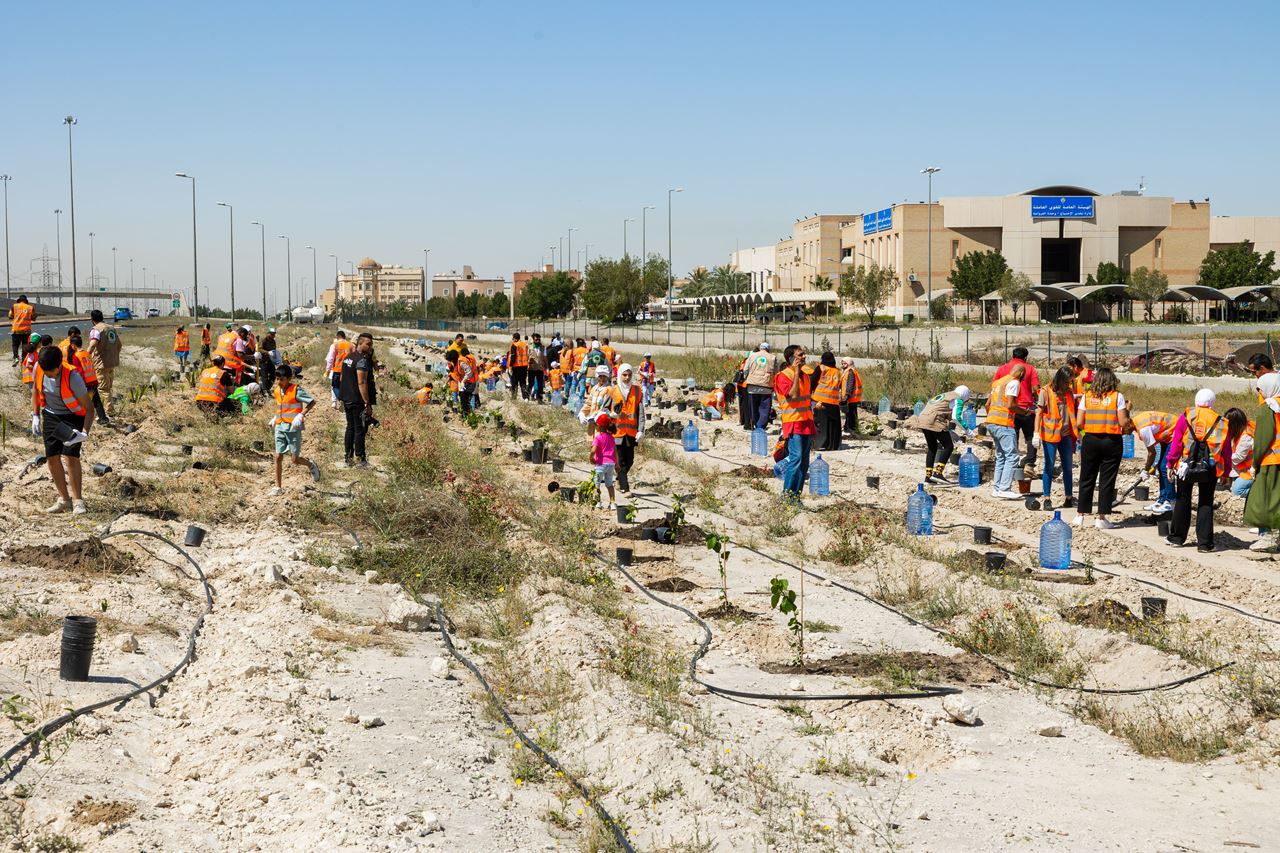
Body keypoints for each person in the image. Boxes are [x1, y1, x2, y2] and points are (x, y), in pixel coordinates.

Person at [1165, 393, 1247, 553]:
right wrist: (1226, 472)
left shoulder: (1186, 416)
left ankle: (1176, 538)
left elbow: (1176, 442)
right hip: (1211, 466)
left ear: (1196, 401)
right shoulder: (1222, 422)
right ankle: (1204, 544)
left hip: (1185, 466)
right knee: (1205, 502)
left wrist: (1170, 463)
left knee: (1182, 498)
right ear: (1212, 403)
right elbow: (1226, 450)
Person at [31, 345, 93, 514]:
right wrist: (35, 415)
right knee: (52, 457)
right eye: (45, 371)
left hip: (71, 417)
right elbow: (36, 392)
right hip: (50, 415)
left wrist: (84, 433)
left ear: (59, 366)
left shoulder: (73, 378)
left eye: (50, 371)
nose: (48, 374)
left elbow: (89, 408)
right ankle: (64, 499)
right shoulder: (39, 368)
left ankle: (77, 500)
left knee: (71, 456)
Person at [1074, 367, 1132, 529]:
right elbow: (1123, 422)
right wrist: (1127, 410)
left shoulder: (1087, 396)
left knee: (1086, 476)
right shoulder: (1117, 397)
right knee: (1107, 479)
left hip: (1091, 439)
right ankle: (1101, 517)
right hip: (1111, 440)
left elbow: (1079, 423)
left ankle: (1080, 515)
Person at [269, 364, 321, 496]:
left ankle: (310, 465)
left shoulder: (296, 390)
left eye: (282, 379)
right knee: (278, 456)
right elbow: (281, 407)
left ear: (289, 378)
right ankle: (278, 487)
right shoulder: (276, 391)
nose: (279, 382)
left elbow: (312, 402)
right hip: (280, 427)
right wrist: (275, 418)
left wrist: (301, 414)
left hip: (293, 428)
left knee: (294, 459)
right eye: (277, 379)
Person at [1243, 373, 1280, 552]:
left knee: (1264, 500)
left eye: (1260, 389)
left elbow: (1262, 439)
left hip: (1272, 460)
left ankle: (1269, 538)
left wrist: (1255, 463)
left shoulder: (1268, 408)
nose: (1260, 393)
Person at [774, 344, 815, 501]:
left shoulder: (805, 375)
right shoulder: (783, 376)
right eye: (800, 355)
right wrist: (797, 372)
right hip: (793, 423)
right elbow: (793, 395)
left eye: (804, 354)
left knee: (804, 463)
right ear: (791, 358)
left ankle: (796, 497)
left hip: (806, 422)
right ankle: (787, 496)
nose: (804, 357)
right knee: (795, 459)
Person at [1033, 367, 1077, 507]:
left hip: (1066, 435)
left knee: (1068, 467)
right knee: (1049, 466)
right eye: (1066, 382)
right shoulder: (1046, 392)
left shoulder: (1069, 393)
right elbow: (1039, 413)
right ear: (1060, 380)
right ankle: (1047, 498)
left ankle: (1069, 498)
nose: (1068, 385)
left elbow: (1072, 414)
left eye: (1070, 382)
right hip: (1050, 435)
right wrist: (1036, 433)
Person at [994, 346, 1040, 476]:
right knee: (1030, 437)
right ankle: (1029, 465)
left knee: (1011, 437)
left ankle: (1011, 465)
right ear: (1025, 357)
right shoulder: (1029, 369)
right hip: (1026, 409)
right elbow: (1036, 388)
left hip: (1008, 410)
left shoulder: (1002, 369)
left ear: (1012, 356)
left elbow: (995, 387)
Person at [910, 385, 970, 484]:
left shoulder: (945, 395)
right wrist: (968, 430)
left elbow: (946, 413)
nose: (964, 402)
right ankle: (938, 473)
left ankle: (928, 478)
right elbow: (956, 417)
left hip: (923, 419)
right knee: (948, 446)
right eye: (965, 400)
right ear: (964, 396)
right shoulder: (957, 399)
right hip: (934, 420)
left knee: (932, 448)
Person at [985, 364, 1028, 499]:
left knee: (1001, 456)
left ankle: (997, 488)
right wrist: (1025, 412)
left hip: (992, 421)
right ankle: (1004, 488)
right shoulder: (1014, 382)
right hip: (1004, 423)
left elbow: (987, 404)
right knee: (1012, 456)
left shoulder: (998, 382)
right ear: (1021, 374)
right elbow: (1011, 405)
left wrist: (992, 417)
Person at [339, 332, 378, 468]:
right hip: (357, 400)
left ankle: (347, 459)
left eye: (371, 344)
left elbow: (342, 378)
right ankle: (361, 460)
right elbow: (362, 382)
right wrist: (367, 402)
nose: (370, 346)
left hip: (347, 398)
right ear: (360, 343)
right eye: (368, 344)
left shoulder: (348, 357)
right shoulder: (361, 360)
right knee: (359, 429)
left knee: (350, 427)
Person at [1128, 408, 1177, 513]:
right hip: (1167, 435)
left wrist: (1145, 470)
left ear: (1128, 424)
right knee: (1161, 466)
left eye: (1122, 430)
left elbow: (1152, 453)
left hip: (1175, 433)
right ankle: (1162, 500)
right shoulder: (1137, 421)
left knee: (1165, 467)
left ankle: (1171, 501)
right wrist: (1153, 465)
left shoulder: (1143, 430)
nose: (1123, 434)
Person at [609, 363, 645, 493]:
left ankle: (619, 479)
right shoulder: (613, 390)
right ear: (620, 375)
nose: (627, 377)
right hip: (616, 433)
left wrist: (641, 430)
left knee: (630, 460)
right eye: (624, 375)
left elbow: (640, 412)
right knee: (621, 461)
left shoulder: (637, 390)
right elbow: (604, 409)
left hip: (630, 433)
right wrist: (611, 414)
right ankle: (625, 487)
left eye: (629, 375)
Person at [61, 327, 107, 422]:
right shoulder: (86, 353)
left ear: (73, 345)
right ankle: (103, 418)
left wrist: (78, 385)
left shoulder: (76, 356)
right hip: (93, 380)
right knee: (96, 401)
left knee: (82, 402)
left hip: (85, 383)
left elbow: (79, 372)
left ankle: (82, 419)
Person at [87, 309, 121, 423]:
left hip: (100, 364)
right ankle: (105, 411)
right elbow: (119, 344)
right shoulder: (111, 328)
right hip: (112, 363)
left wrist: (85, 357)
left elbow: (93, 344)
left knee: (103, 389)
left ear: (92, 320)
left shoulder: (96, 330)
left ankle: (108, 414)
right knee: (108, 387)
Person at [743, 342, 778, 433]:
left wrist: (747, 378)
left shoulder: (752, 356)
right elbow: (776, 372)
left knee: (754, 408)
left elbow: (745, 369)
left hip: (752, 385)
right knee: (765, 408)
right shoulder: (772, 357)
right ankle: (760, 426)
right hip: (766, 386)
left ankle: (755, 424)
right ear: (768, 349)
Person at [811, 351, 843, 452]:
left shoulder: (821, 368)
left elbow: (812, 382)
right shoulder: (838, 371)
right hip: (833, 402)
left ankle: (819, 444)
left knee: (821, 423)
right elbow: (840, 385)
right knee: (833, 425)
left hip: (820, 401)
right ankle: (833, 445)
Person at [591, 412, 618, 511]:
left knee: (596, 484)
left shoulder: (598, 437)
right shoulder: (611, 437)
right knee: (609, 484)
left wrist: (591, 457)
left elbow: (593, 450)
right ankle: (612, 503)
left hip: (601, 465)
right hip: (611, 464)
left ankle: (598, 503)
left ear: (599, 426)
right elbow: (615, 452)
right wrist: (617, 464)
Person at [9, 295, 35, 364]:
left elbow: (10, 316)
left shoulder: (14, 306)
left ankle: (16, 357)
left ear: (19, 300)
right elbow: (34, 317)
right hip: (26, 331)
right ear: (26, 301)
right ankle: (24, 360)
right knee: (25, 345)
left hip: (16, 330)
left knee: (15, 345)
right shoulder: (30, 307)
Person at [840, 357, 863, 435]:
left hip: (851, 397)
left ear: (848, 363)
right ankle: (848, 427)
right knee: (849, 414)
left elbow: (850, 384)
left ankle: (852, 429)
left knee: (851, 414)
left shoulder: (850, 372)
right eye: (842, 363)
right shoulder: (847, 371)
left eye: (844, 363)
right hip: (851, 397)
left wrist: (847, 395)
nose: (842, 365)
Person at [508, 333, 529, 399]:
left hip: (516, 367)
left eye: (513, 339)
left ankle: (514, 397)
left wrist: (510, 366)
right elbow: (527, 355)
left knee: (515, 383)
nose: (512, 340)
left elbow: (513, 357)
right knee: (523, 382)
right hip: (524, 366)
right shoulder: (525, 345)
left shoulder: (514, 345)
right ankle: (525, 398)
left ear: (515, 338)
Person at [527, 332, 546, 403]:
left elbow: (545, 358)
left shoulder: (543, 347)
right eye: (536, 340)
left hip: (540, 368)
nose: (538, 341)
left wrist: (546, 368)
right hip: (531, 368)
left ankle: (539, 398)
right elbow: (526, 357)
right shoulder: (529, 347)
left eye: (538, 339)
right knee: (530, 383)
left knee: (540, 384)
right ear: (533, 340)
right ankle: (527, 396)